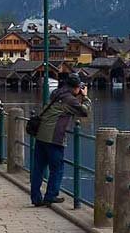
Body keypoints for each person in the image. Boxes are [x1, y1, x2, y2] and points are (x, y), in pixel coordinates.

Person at [29, 73, 90, 207]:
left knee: (38, 168)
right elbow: (84, 111)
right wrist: (85, 96)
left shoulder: (56, 93)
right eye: (79, 87)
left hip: (40, 135)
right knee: (57, 168)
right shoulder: (70, 100)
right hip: (54, 137)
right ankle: (50, 196)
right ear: (76, 88)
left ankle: (36, 198)